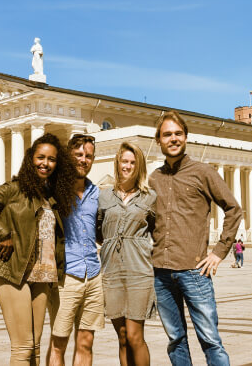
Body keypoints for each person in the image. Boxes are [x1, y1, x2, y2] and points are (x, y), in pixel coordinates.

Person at [0, 133, 77, 365]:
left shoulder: (52, 196)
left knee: (35, 348)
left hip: (42, 275)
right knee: (23, 347)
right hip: (14, 273)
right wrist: (3, 233)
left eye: (52, 159)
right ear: (30, 159)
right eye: (40, 157)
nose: (45, 163)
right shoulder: (14, 189)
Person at [149, 111, 242, 365]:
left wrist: (219, 252)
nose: (173, 139)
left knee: (210, 340)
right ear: (159, 140)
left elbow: (234, 209)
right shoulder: (154, 178)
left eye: (178, 134)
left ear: (186, 137)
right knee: (175, 340)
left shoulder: (203, 172)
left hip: (195, 271)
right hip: (161, 272)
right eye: (167, 134)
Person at [97, 142, 157, 366]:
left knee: (134, 336)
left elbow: (157, 230)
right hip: (111, 272)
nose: (128, 166)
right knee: (122, 338)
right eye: (125, 161)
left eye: (133, 162)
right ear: (117, 162)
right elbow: (99, 230)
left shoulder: (149, 197)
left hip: (139, 271)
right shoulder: (103, 197)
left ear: (139, 166)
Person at [48, 134, 103, 366]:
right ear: (69, 158)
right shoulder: (54, 189)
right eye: (79, 155)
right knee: (58, 343)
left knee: (85, 343)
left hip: (93, 276)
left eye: (88, 156)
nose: (84, 159)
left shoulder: (96, 193)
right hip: (66, 278)